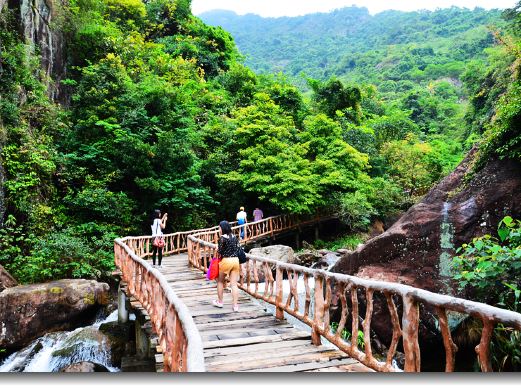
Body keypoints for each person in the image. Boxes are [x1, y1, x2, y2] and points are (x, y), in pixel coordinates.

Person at [214, 220, 241, 312]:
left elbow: (220, 252)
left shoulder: (222, 238)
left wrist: (217, 248)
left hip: (226, 261)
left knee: (220, 281)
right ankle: (235, 306)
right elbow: (238, 248)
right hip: (235, 261)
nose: (219, 230)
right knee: (234, 284)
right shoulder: (234, 237)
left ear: (223, 228)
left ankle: (220, 302)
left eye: (219, 228)